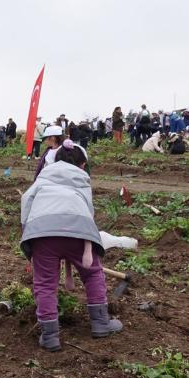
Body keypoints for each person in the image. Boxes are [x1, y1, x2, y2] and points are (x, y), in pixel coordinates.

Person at [20, 140, 121, 352]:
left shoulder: (43, 178)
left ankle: (50, 336)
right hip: (78, 230)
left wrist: (27, 231)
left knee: (45, 284)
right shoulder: (82, 179)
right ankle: (100, 323)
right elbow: (88, 210)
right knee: (92, 273)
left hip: (43, 232)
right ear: (82, 165)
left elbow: (26, 202)